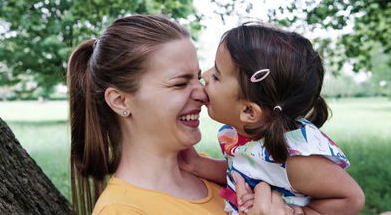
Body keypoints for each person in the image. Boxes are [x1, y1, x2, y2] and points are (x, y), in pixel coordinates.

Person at [67, 15, 297, 215]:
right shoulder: (123, 210)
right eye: (179, 83)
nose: (203, 93)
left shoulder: (216, 170)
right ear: (120, 101)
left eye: (198, 77)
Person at [180, 22, 365, 215]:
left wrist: (302, 212)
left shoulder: (297, 161)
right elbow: (247, 170)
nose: (206, 74)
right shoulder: (246, 133)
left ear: (249, 112)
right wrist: (199, 165)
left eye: (217, 76)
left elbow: (352, 198)